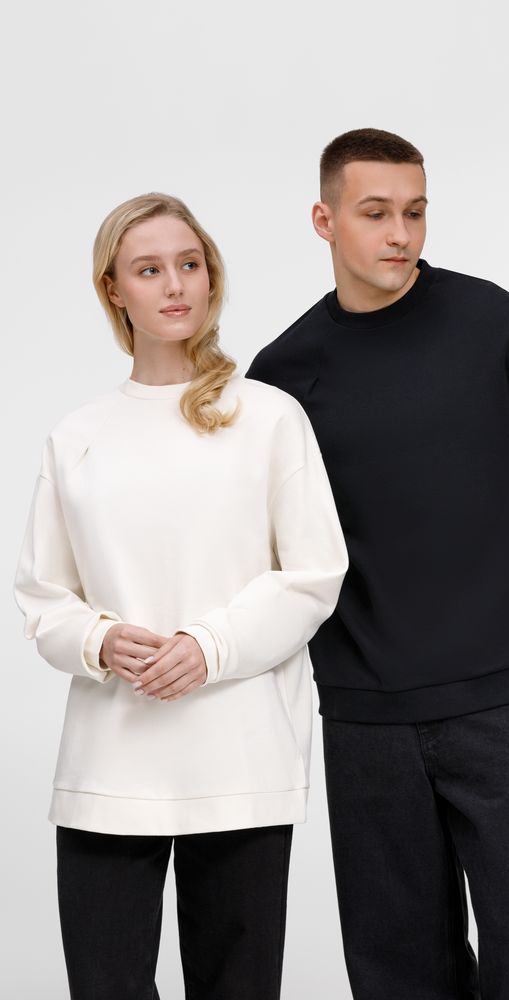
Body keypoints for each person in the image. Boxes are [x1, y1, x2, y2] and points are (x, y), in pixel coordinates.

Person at [246, 128, 509, 1000]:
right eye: (375, 213)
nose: (399, 234)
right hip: (364, 714)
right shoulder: (283, 375)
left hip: (499, 705)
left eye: (415, 212)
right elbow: (267, 539)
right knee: (397, 970)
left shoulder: (496, 327)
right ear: (323, 220)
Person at [14, 192, 348, 1000]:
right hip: (108, 764)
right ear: (112, 289)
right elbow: (42, 596)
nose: (174, 285)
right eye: (149, 269)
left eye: (189, 264)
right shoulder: (77, 435)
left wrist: (209, 646)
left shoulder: (268, 417)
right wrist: (97, 640)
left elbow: (314, 574)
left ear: (211, 277)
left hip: (240, 760)